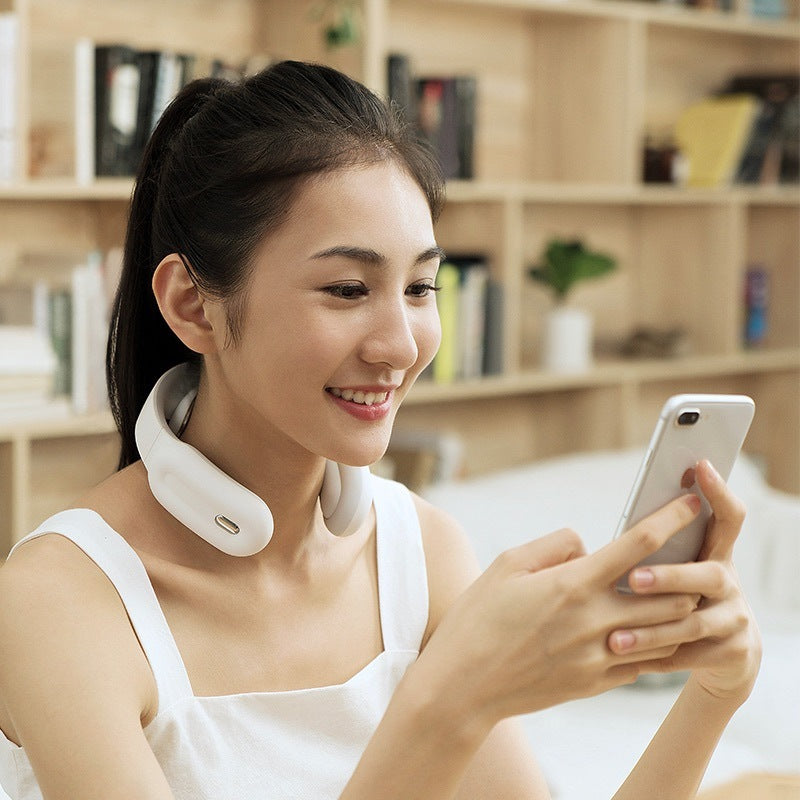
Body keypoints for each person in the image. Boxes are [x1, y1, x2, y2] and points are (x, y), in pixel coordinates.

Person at [0, 61, 760, 800]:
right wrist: (450, 702)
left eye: (420, 287)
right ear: (193, 306)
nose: (401, 345)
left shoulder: (420, 553)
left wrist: (713, 695)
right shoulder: (58, 602)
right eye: (348, 289)